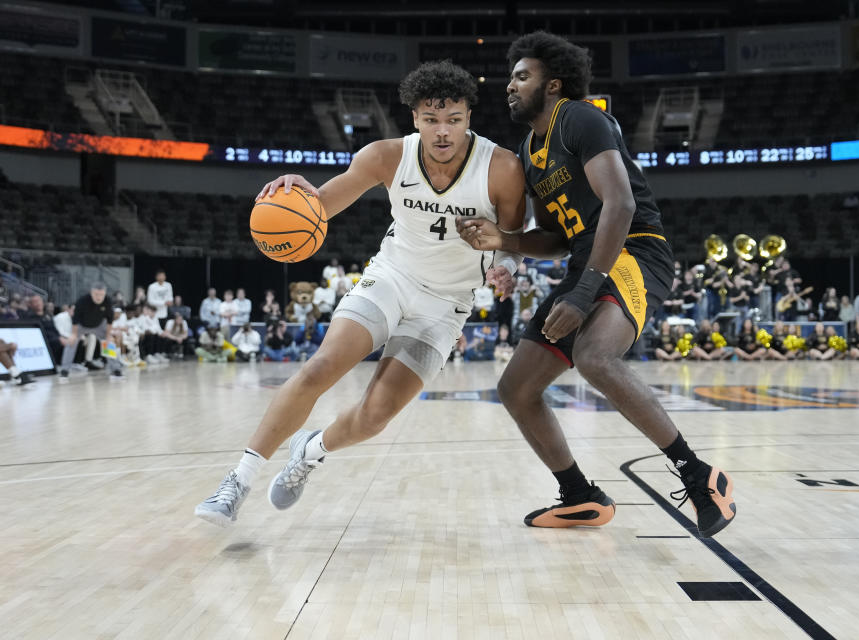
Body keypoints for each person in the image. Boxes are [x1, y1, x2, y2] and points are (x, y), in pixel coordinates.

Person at [195, 60, 526, 527]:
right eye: (431, 120)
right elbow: (321, 206)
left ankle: (311, 449)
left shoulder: (503, 168)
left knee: (375, 416)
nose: (443, 132)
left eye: (453, 119)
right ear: (414, 118)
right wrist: (299, 195)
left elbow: (513, 239)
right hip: (393, 277)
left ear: (469, 115)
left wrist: (506, 268)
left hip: (447, 302)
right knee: (322, 365)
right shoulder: (385, 156)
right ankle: (237, 481)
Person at [456, 32, 734, 538]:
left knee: (594, 357)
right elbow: (559, 238)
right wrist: (507, 240)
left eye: (523, 76)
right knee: (516, 388)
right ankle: (580, 495)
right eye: (511, 77)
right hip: (586, 263)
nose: (510, 86)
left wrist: (584, 294)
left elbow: (621, 205)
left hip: (633, 252)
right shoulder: (529, 147)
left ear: (553, 84)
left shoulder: (580, 117)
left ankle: (699, 476)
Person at [59, 282, 123, 379]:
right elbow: (75, 319)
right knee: (71, 342)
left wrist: (108, 335)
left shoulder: (107, 301)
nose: (99, 297)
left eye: (101, 295)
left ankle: (115, 369)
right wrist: (74, 334)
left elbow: (109, 320)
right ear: (91, 293)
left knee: (109, 343)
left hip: (99, 325)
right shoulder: (82, 301)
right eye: (96, 294)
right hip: (81, 325)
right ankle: (64, 370)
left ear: (105, 293)